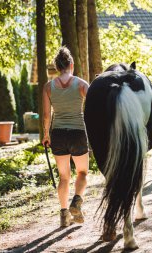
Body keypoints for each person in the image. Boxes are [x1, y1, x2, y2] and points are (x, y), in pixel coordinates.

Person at [42, 46, 89, 227]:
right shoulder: (82, 84)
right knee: (82, 172)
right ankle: (76, 201)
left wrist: (46, 135)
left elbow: (47, 115)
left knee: (63, 177)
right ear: (71, 64)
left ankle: (64, 216)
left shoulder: (48, 87)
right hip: (78, 132)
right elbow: (92, 109)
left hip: (58, 134)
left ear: (57, 66)